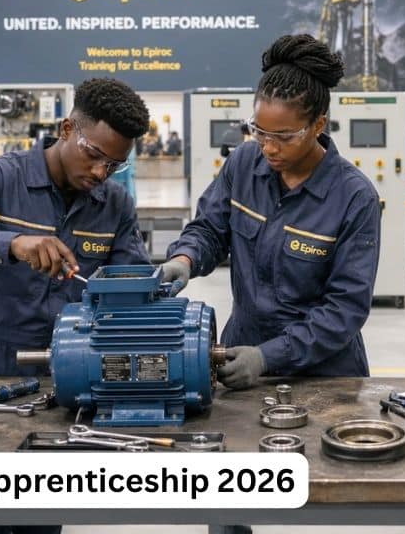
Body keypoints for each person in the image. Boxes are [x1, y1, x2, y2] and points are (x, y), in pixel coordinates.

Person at [158, 34, 382, 389]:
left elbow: (344, 310)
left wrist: (268, 357)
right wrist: (184, 258)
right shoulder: (243, 164)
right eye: (260, 132)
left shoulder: (354, 197)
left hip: (323, 375)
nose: (269, 147)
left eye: (284, 136)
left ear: (318, 125)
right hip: (239, 358)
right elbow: (210, 229)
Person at [0, 78, 150, 380]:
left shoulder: (115, 205)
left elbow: (131, 285)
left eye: (114, 165)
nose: (101, 172)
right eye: (93, 154)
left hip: (77, 360)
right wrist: (11, 245)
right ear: (67, 129)